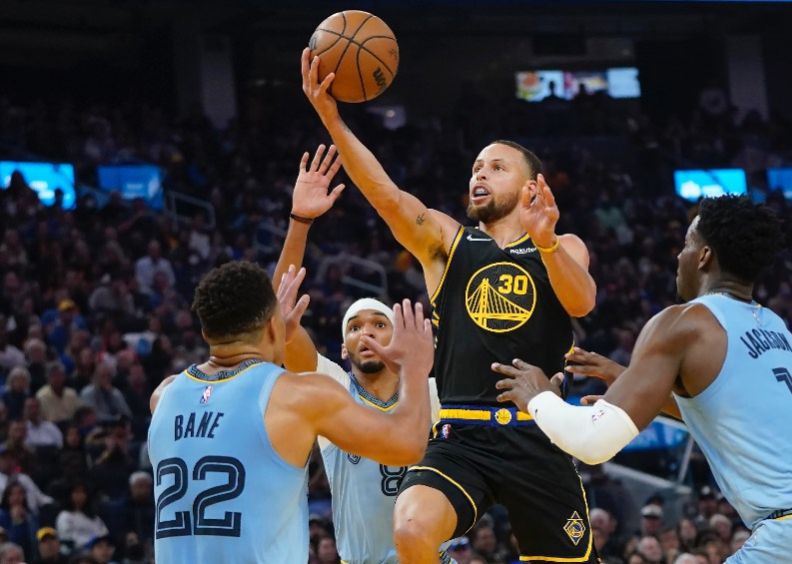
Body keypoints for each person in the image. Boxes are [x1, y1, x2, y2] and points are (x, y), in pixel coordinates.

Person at [303, 50, 599, 563]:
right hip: (462, 431)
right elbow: (387, 196)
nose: (479, 174)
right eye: (476, 167)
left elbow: (582, 301)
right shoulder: (448, 241)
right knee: (413, 527)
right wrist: (332, 117)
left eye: (497, 167)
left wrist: (546, 242)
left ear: (531, 188)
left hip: (539, 434)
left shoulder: (563, 246)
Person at [492, 196, 792, 563]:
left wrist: (539, 398)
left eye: (686, 244)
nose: (679, 256)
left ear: (703, 257)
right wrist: (630, 380)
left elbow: (593, 444)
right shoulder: (776, 327)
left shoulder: (683, 323)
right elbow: (730, 417)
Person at [147, 261, 434, 563]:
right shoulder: (298, 397)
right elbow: (409, 444)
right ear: (274, 326)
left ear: (205, 332)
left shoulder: (163, 397)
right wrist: (414, 370)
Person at [270, 145, 441, 564]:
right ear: (343, 351)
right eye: (355, 327)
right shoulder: (329, 388)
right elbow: (280, 309)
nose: (367, 333)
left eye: (379, 324)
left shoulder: (431, 389)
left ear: (401, 338)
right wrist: (300, 221)